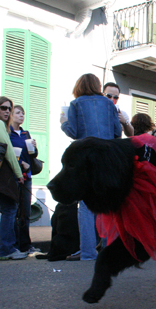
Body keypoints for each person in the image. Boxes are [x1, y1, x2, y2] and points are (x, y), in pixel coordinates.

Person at [61, 73, 122, 261]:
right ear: (97, 86)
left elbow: (73, 132)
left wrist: (63, 123)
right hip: (107, 157)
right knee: (109, 205)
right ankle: (110, 249)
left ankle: (88, 252)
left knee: (86, 207)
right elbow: (118, 132)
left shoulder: (76, 104)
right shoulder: (108, 104)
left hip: (85, 158)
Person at [0, 97, 26, 260]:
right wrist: (18, 173)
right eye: (3, 108)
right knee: (9, 210)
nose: (7, 111)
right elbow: (8, 151)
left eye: (9, 108)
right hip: (2, 176)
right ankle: (6, 249)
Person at [9, 105, 40, 255]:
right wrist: (21, 163)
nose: (21, 115)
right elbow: (8, 154)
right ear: (11, 115)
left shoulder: (26, 133)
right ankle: (14, 244)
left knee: (25, 212)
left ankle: (26, 245)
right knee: (14, 210)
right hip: (14, 176)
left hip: (27, 176)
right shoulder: (8, 134)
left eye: (23, 113)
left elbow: (32, 155)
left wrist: (34, 147)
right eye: (18, 113)